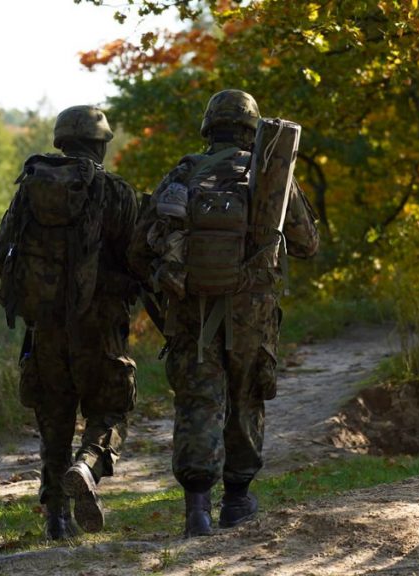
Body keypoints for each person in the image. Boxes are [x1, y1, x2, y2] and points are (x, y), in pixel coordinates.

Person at [129, 89, 319, 537]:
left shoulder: (183, 173)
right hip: (252, 311)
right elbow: (307, 244)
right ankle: (236, 501)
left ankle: (197, 510)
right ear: (252, 131)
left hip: (191, 309)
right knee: (246, 396)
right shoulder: (271, 178)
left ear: (209, 128)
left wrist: (168, 283)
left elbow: (139, 247)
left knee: (199, 400)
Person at [0, 105, 139, 540]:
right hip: (101, 330)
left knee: (54, 423)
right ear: (101, 144)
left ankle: (56, 518)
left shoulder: (29, 191)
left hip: (44, 331)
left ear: (60, 142)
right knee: (110, 411)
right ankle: (87, 466)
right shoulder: (116, 192)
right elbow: (141, 261)